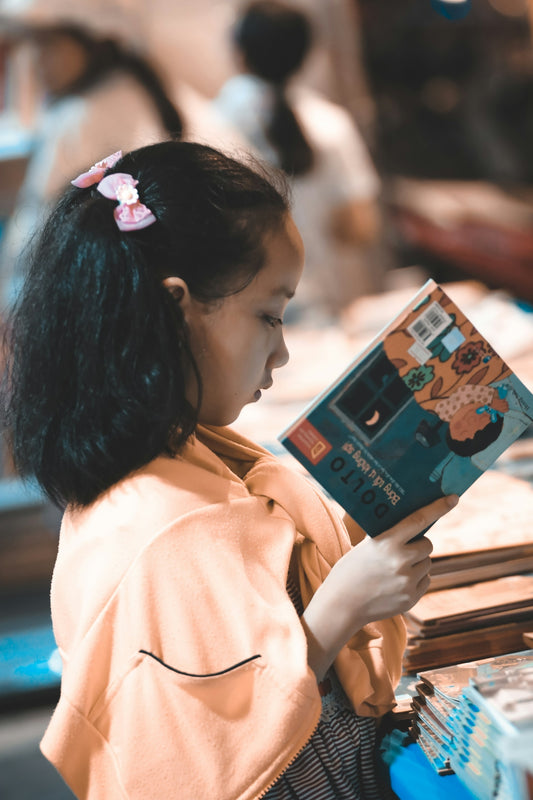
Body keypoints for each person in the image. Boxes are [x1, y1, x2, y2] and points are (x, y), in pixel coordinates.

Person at [2, 140, 458, 799]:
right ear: (176, 308)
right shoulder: (162, 529)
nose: (281, 351)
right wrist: (342, 606)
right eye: (269, 315)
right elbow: (210, 753)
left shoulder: (178, 457)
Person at [0, 0, 241, 306]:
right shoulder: (151, 91)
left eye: (49, 43)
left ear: (95, 40)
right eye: (32, 44)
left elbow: (37, 240)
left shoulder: (82, 116)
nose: (36, 61)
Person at [213, 0, 384, 324]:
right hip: (323, 308)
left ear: (240, 53)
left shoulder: (209, 126)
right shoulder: (331, 123)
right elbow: (360, 227)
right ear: (305, 55)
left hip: (244, 319)